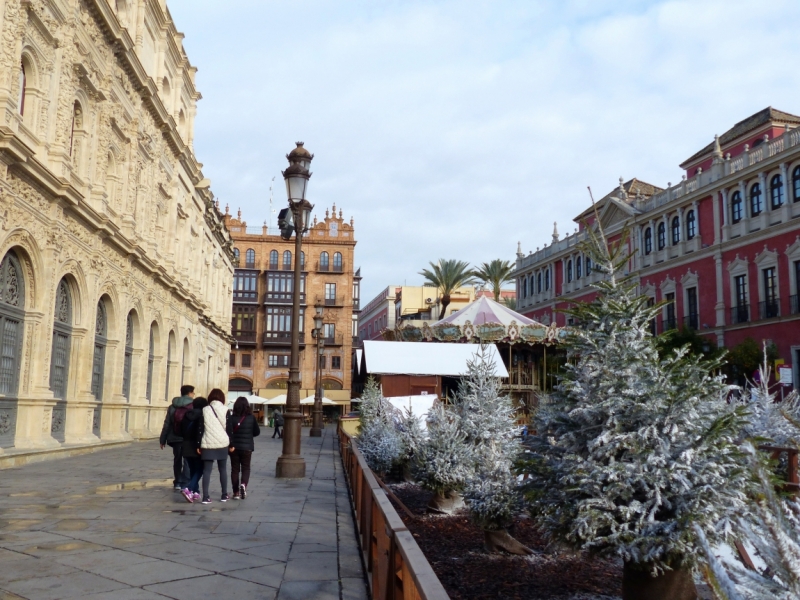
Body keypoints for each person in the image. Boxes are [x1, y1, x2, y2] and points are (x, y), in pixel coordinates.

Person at [197, 388, 231, 504]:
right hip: (222, 442)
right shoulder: (226, 410)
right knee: (223, 470)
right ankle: (224, 495)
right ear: (222, 398)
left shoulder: (204, 410)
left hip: (207, 443)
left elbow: (200, 428)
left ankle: (205, 497)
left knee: (207, 471)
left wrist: (198, 444)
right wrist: (231, 444)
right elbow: (229, 429)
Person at [159, 384, 195, 491]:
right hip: (188, 437)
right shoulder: (192, 406)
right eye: (193, 392)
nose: (193, 394)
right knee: (188, 460)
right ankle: (186, 482)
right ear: (189, 393)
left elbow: (167, 424)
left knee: (177, 459)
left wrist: (163, 439)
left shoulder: (173, 406)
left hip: (175, 437)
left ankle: (177, 482)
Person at [227, 397, 260, 499]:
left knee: (235, 469)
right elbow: (257, 432)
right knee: (246, 468)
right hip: (247, 447)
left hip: (234, 448)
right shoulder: (251, 418)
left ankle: (236, 492)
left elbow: (228, 432)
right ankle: (244, 484)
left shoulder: (231, 418)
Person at [180, 396, 208, 503]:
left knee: (192, 469)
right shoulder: (202, 416)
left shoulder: (186, 415)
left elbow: (181, 430)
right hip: (196, 446)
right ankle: (189, 488)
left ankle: (195, 491)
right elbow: (200, 432)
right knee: (200, 469)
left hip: (185, 445)